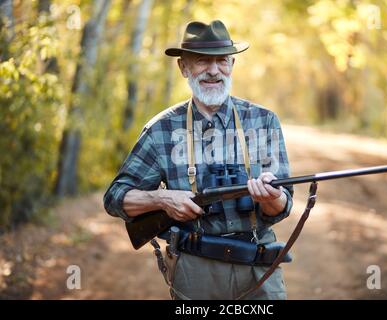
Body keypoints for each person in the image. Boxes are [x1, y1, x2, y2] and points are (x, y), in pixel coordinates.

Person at [103, 20, 294, 300]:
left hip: (259, 266)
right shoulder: (161, 130)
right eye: (203, 61)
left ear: (232, 65)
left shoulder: (263, 121)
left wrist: (270, 196)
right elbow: (115, 197)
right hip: (195, 270)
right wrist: (163, 200)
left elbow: (283, 205)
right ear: (183, 67)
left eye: (222, 61)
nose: (214, 70)